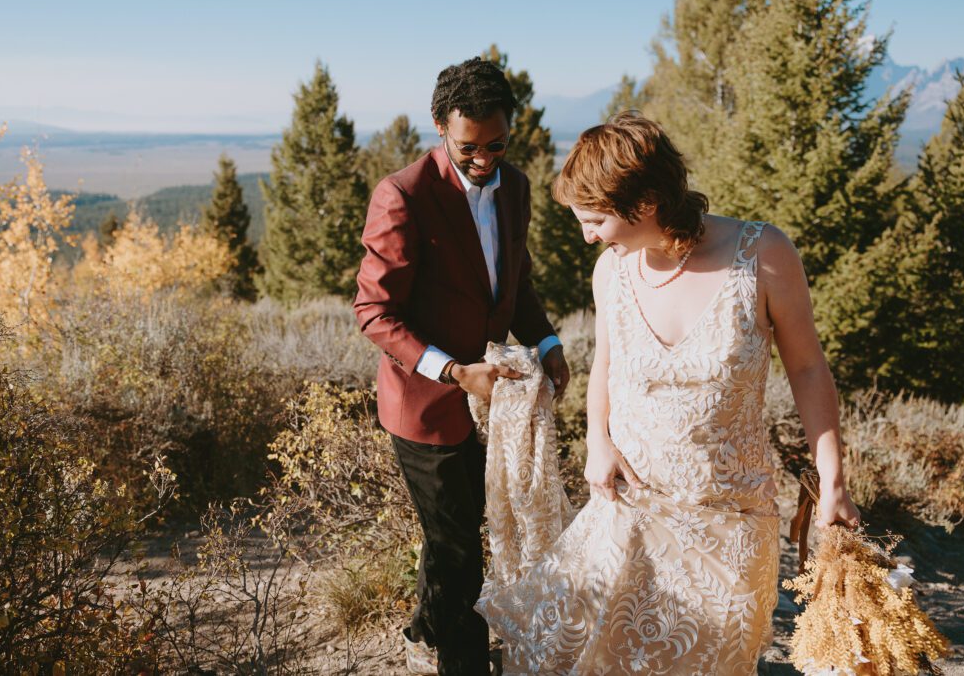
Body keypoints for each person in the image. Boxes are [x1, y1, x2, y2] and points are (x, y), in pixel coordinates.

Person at [476, 111, 861, 674]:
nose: (587, 235)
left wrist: (833, 481)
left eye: (596, 220)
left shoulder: (763, 254)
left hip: (729, 522)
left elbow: (807, 370)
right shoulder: (611, 270)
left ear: (645, 203)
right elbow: (605, 363)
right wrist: (597, 442)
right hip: (630, 505)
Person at [353, 57, 570, 676]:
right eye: (468, 146)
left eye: (497, 144)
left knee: (472, 528)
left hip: (498, 401)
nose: (484, 159)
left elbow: (513, 285)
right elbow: (374, 312)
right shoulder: (403, 195)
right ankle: (463, 662)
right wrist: (454, 373)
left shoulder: (519, 188)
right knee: (455, 546)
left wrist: (548, 342)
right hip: (425, 405)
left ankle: (430, 618)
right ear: (438, 126)